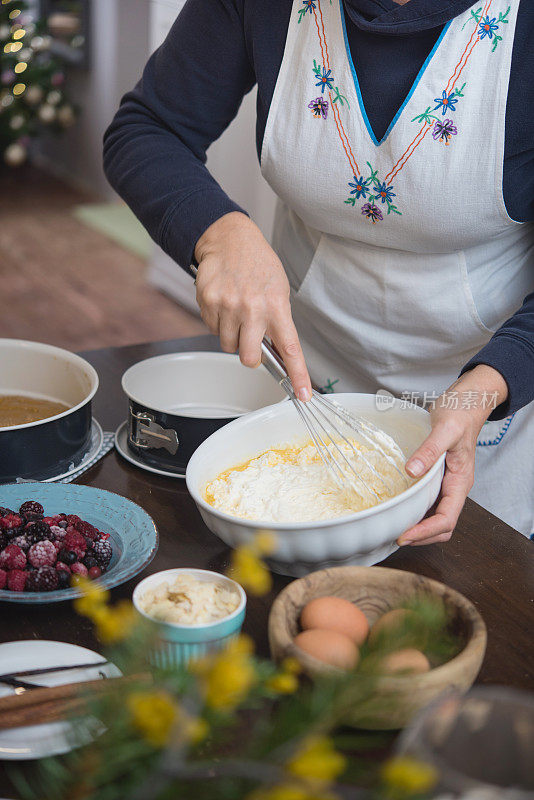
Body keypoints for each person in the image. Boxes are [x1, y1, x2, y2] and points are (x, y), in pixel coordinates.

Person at [104, 0, 534, 542]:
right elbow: (148, 126)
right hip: (305, 386)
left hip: (488, 401)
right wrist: (218, 233)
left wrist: (490, 385)